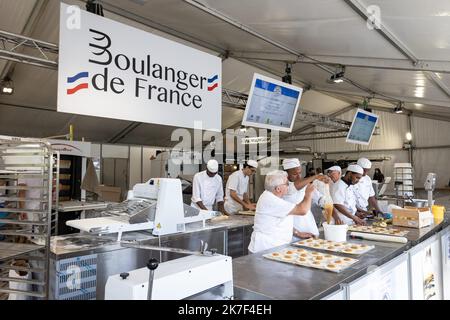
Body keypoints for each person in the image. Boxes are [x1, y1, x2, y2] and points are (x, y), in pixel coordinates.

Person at [248, 170, 315, 253]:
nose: (289, 186)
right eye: (287, 184)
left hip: (274, 247)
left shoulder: (272, 196)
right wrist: (308, 194)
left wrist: (298, 233)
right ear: (278, 189)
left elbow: (282, 220)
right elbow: (303, 210)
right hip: (265, 248)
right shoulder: (271, 200)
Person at [282, 159, 342, 239]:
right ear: (286, 174)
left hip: (308, 225)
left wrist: (336, 216)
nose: (299, 176)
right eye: (294, 174)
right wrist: (316, 177)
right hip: (293, 228)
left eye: (300, 173)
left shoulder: (306, 185)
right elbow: (294, 188)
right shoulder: (282, 187)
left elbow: (322, 201)